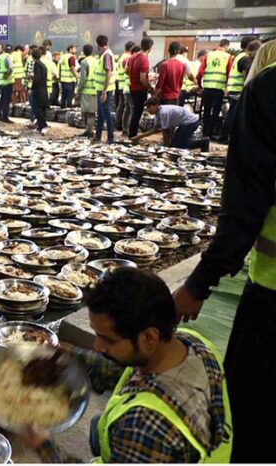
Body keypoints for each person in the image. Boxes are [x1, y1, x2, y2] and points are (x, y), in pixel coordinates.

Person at [173, 40, 276, 463]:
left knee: (252, 421)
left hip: (272, 298)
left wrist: (199, 282)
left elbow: (246, 203)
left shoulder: (270, 89)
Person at [31, 267, 232, 463]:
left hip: (152, 448)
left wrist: (45, 447)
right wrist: (71, 358)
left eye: (109, 340)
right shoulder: (191, 343)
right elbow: (125, 370)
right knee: (98, 427)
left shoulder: (145, 427)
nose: (97, 346)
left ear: (149, 337)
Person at [218, 36, 259, 143]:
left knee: (232, 114)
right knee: (234, 115)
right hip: (238, 90)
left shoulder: (238, 56)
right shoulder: (245, 58)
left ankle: (224, 136)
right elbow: (247, 75)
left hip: (233, 88)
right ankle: (224, 137)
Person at [130, 98, 209, 151]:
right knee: (175, 144)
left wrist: (165, 148)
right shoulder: (158, 113)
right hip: (185, 123)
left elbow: (166, 132)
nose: (148, 109)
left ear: (156, 105)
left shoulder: (163, 112)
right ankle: (199, 142)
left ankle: (203, 142)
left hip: (191, 122)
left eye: (150, 107)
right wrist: (138, 137)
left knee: (178, 146)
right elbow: (154, 130)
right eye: (147, 107)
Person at [197, 39, 232, 139]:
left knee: (206, 110)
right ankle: (209, 133)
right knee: (215, 112)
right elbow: (229, 73)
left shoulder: (209, 55)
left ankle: (204, 132)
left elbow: (200, 72)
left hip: (207, 88)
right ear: (226, 46)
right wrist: (227, 87)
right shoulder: (227, 56)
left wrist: (200, 85)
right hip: (219, 88)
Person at [127, 37, 154, 138]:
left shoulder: (133, 57)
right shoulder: (144, 60)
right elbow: (143, 79)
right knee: (137, 113)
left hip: (132, 87)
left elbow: (126, 70)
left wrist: (133, 75)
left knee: (134, 112)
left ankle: (132, 133)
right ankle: (133, 136)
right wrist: (151, 88)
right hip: (140, 90)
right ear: (150, 48)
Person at [93, 35, 117, 144]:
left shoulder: (106, 55)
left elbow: (108, 73)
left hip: (105, 90)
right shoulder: (105, 54)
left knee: (106, 113)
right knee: (101, 113)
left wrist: (104, 92)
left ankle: (111, 138)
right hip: (102, 89)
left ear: (97, 44)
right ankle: (98, 135)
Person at [75, 44, 97, 138]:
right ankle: (89, 130)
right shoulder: (96, 61)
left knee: (85, 111)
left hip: (86, 89)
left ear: (83, 52)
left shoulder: (84, 62)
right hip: (95, 89)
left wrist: (78, 90)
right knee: (91, 112)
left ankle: (88, 131)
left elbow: (83, 79)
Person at [115, 41, 134, 134]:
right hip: (125, 85)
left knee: (122, 105)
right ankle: (124, 126)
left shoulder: (122, 56)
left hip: (121, 84)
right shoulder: (128, 58)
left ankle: (118, 124)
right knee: (127, 107)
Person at [30, 47, 49, 134]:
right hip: (43, 89)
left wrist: (32, 88)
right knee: (41, 109)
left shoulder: (36, 64)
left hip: (38, 90)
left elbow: (37, 79)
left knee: (37, 109)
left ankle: (43, 125)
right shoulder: (42, 64)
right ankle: (40, 126)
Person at [0, 42, 14, 123]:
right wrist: (6, 76)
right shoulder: (8, 56)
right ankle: (5, 117)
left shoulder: (0, 57)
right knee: (6, 100)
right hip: (7, 81)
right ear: (12, 50)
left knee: (2, 99)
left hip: (0, 81)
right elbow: (10, 68)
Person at [59, 44, 78, 109]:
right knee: (69, 98)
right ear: (70, 49)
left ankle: (62, 111)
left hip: (63, 80)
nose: (76, 50)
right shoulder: (71, 57)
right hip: (70, 81)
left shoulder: (63, 56)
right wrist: (77, 77)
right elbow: (72, 68)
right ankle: (69, 112)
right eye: (74, 48)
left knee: (63, 97)